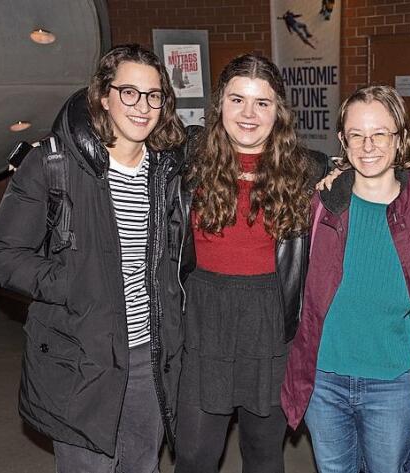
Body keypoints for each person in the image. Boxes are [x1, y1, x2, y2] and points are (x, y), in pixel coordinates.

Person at [0, 44, 187, 472]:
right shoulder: (54, 163)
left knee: (141, 465)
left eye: (154, 95)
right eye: (129, 92)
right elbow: (1, 252)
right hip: (80, 357)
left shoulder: (169, 172)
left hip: (150, 358)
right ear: (103, 96)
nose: (142, 106)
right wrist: (70, 283)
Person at [281, 85, 410, 473]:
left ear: (400, 137)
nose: (368, 145)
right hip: (325, 380)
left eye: (380, 134)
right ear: (342, 139)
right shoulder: (321, 205)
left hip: (393, 383)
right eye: (357, 134)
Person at [174, 54, 324, 473]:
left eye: (262, 103)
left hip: (270, 327)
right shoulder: (187, 164)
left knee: (263, 455)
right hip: (204, 323)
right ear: (220, 103)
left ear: (279, 112)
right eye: (238, 99)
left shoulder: (309, 172)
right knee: (194, 456)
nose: (248, 114)